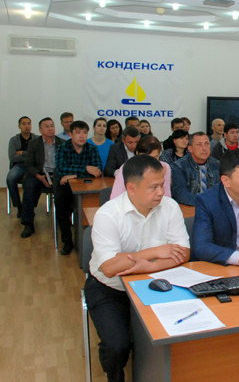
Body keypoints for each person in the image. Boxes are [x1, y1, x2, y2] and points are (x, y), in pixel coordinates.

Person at [84, 154, 190, 382]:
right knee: (118, 345)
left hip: (154, 283)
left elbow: (183, 253)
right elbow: (110, 267)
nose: (161, 192)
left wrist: (147, 266)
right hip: (111, 290)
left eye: (163, 185)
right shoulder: (108, 214)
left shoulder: (170, 207)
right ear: (131, 188)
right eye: (153, 187)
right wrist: (154, 252)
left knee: (180, 332)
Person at [55, 121, 102, 255]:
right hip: (66, 187)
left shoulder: (92, 149)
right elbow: (61, 169)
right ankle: (67, 241)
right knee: (61, 204)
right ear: (70, 134)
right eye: (78, 132)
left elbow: (97, 171)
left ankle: (93, 241)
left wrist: (72, 175)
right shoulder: (62, 148)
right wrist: (86, 168)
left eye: (85, 133)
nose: (82, 136)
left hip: (87, 186)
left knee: (95, 203)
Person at [21, 118, 64, 238]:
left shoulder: (62, 143)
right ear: (40, 130)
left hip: (57, 174)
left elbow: (66, 163)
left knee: (66, 189)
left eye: (52, 126)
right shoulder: (34, 144)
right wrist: (39, 176)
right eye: (46, 126)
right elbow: (28, 165)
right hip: (39, 174)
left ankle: (64, 219)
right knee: (29, 186)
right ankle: (28, 223)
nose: (50, 128)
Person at [171, 132, 219, 206]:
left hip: (214, 206)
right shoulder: (179, 166)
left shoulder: (217, 164)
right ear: (190, 148)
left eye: (207, 144)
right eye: (199, 144)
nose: (204, 148)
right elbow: (180, 193)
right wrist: (204, 201)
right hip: (191, 206)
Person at [7, 116, 37, 217]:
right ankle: (19, 206)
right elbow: (12, 157)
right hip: (19, 166)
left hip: (32, 166)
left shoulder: (37, 139)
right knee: (10, 178)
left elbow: (38, 156)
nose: (27, 126)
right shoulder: (13, 140)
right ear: (19, 126)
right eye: (24, 124)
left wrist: (23, 153)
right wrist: (29, 155)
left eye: (29, 123)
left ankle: (29, 207)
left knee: (29, 181)